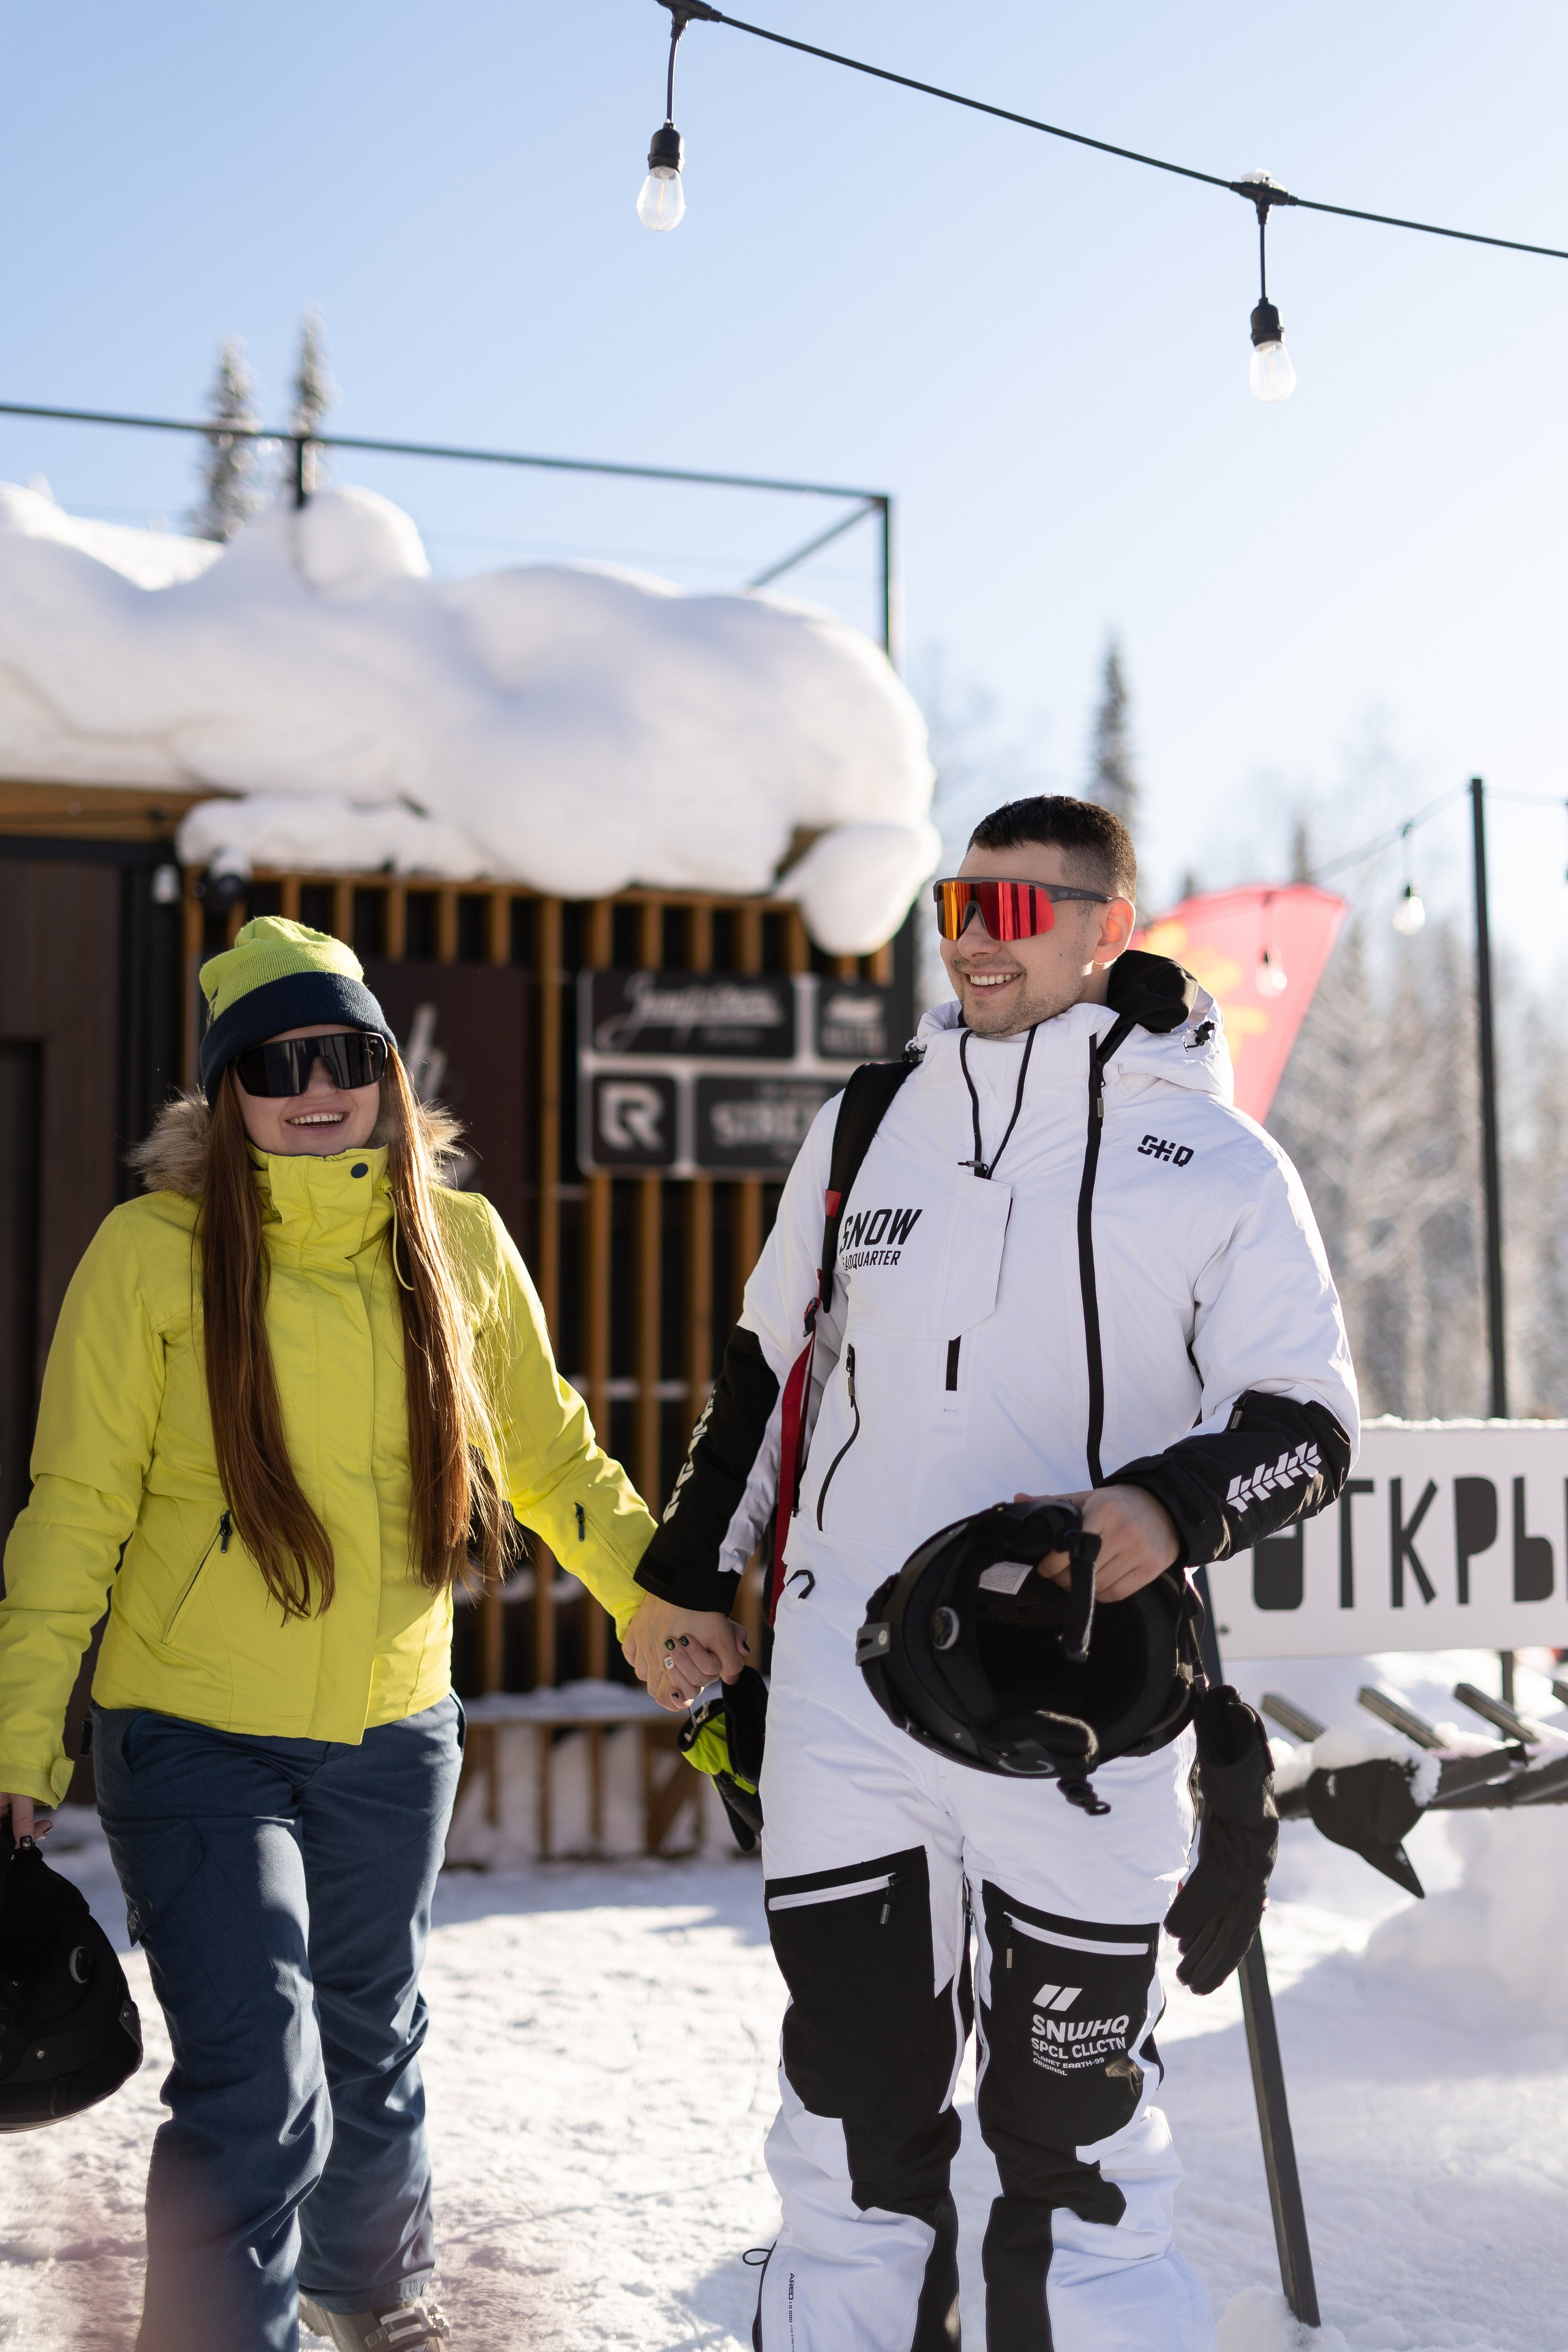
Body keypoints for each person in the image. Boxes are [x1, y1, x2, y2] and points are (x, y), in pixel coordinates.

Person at [624, 797, 1359, 2350]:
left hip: (1075, 1715)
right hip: (842, 1702)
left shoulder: (1213, 1159)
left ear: (1109, 930)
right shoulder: (865, 1117)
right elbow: (768, 1369)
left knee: (1075, 2148)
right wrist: (687, 1572)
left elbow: (1306, 1428)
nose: (973, 933)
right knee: (843, 2134)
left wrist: (1169, 1507)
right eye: (960, 899)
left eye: (1022, 910)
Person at [0, 917, 659, 2352]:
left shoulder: (457, 1243)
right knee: (255, 2071)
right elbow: (73, 1511)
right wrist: (21, 1734)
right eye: (277, 1061)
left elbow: (551, 1463)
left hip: (392, 1730)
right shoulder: (153, 1255)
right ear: (224, 1091)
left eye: (347, 1054)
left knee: (372, 2039)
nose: (319, 1086)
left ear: (386, 1070)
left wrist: (655, 1604)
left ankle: (377, 2298)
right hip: (190, 1730)